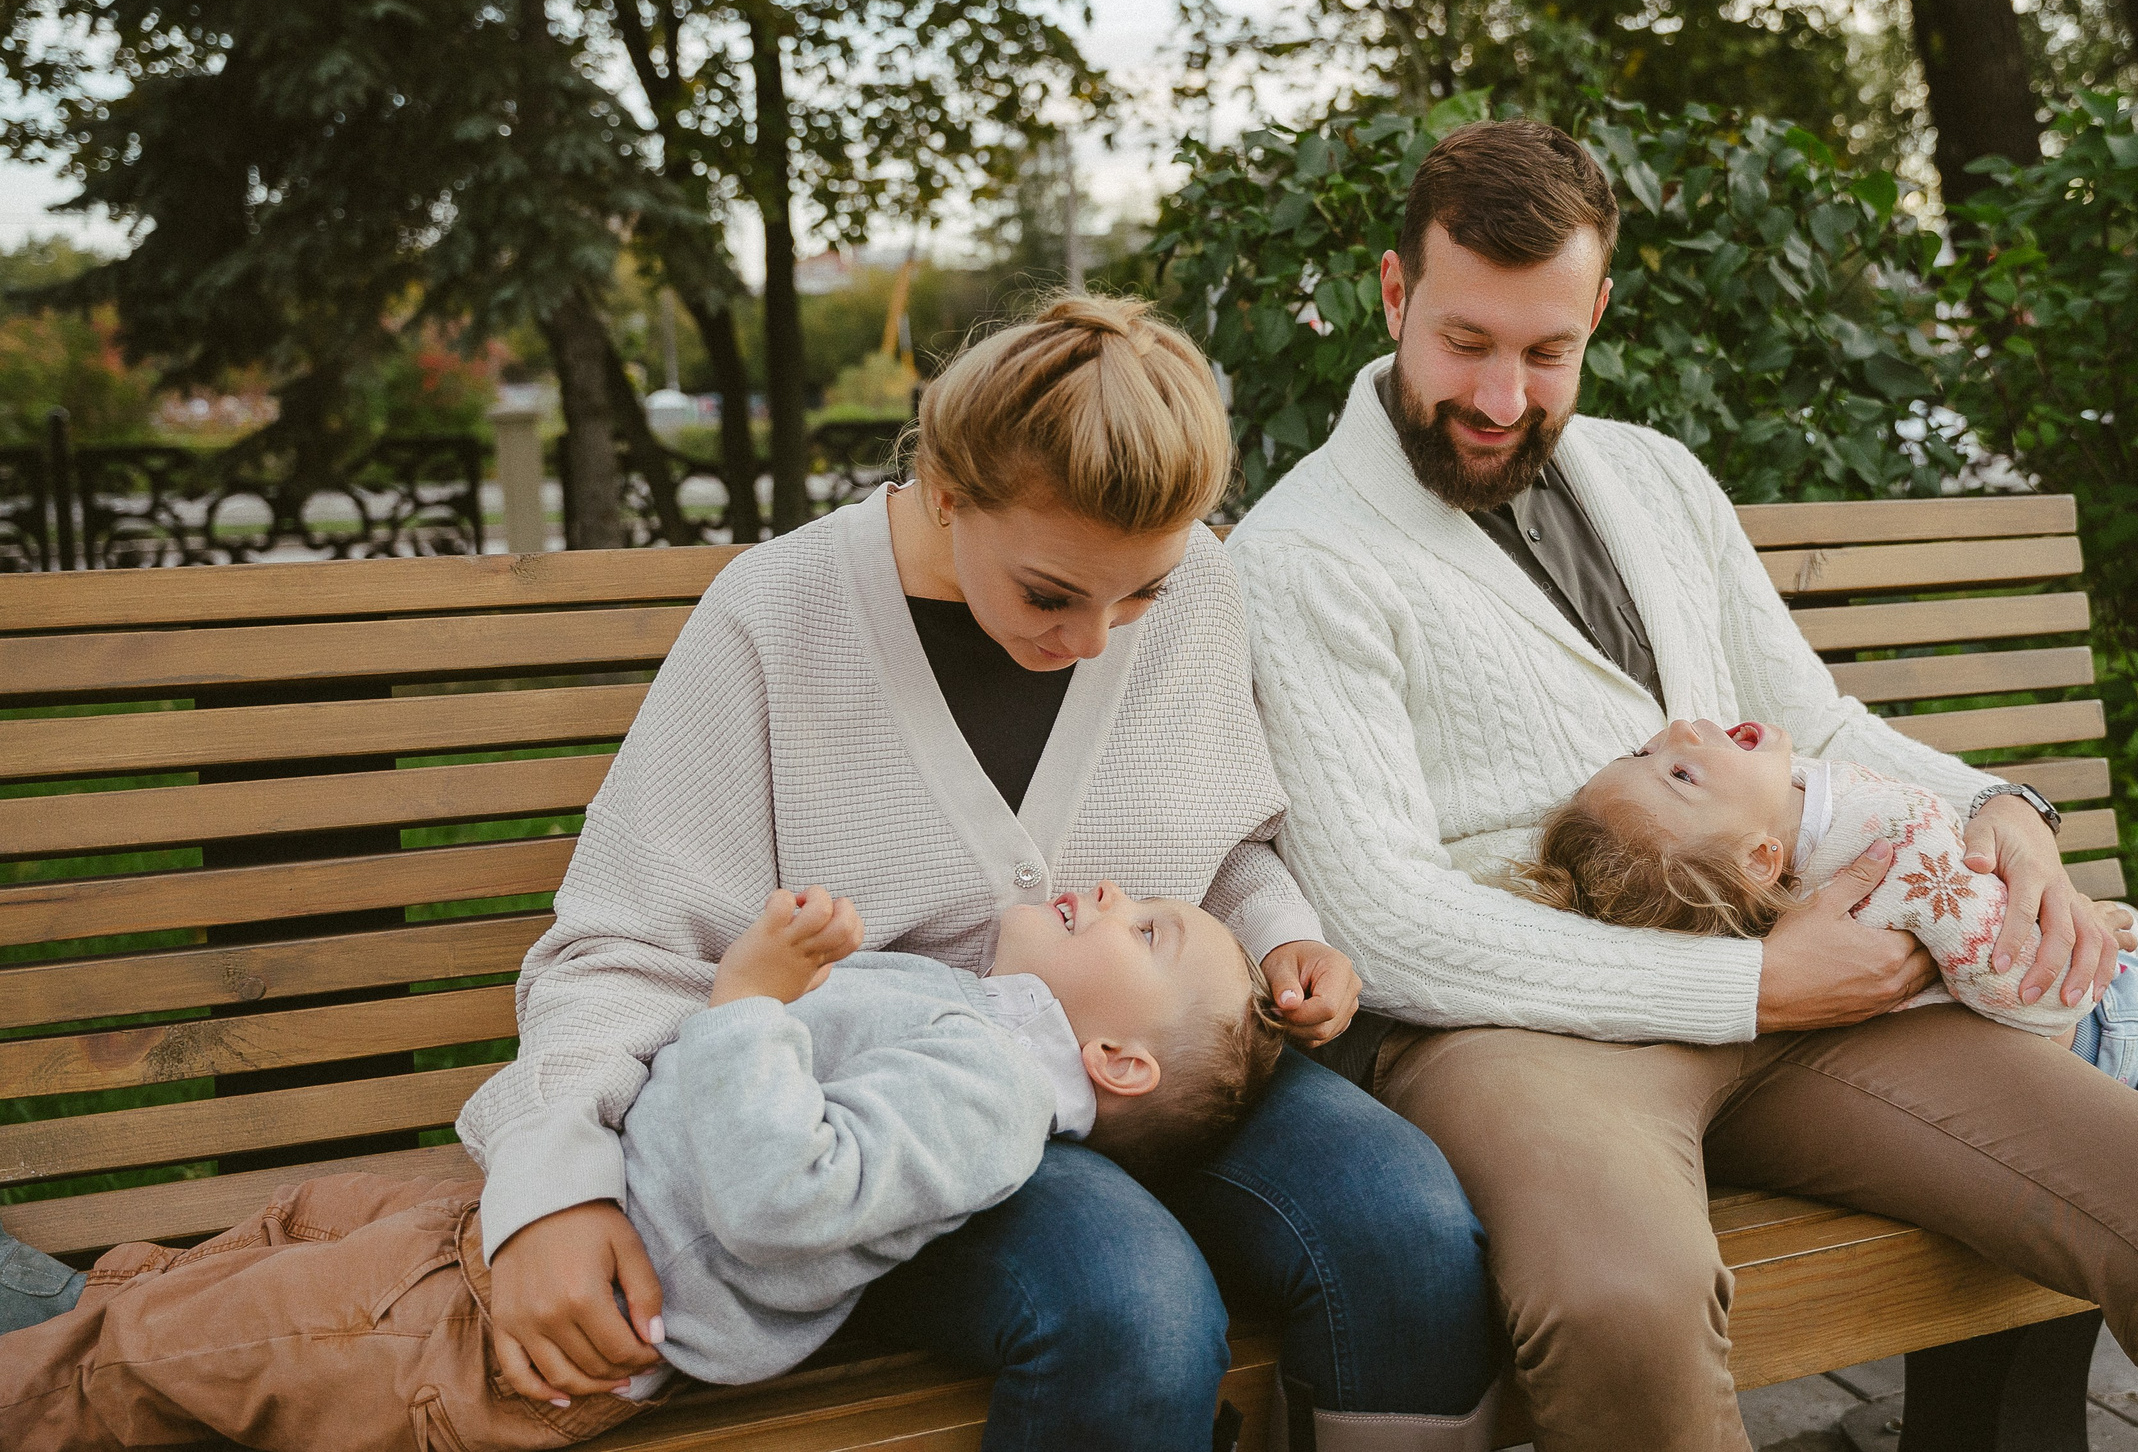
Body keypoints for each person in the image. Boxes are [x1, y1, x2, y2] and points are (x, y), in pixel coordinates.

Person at [1225, 117, 2138, 1451]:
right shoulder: (1302, 557)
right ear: (1394, 294)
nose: (1505, 395)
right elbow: (1381, 913)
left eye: (1547, 350)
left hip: (1808, 978)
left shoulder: (1652, 476)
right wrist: (1750, 984)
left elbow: (1812, 724)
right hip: (1525, 1029)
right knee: (1627, 1301)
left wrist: (2002, 809)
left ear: (1600, 313)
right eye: (1466, 342)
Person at [450, 297, 1497, 1452]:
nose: (1099, 639)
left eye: (1138, 594)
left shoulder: (1195, 581)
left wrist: (1282, 934)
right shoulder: (778, 616)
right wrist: (553, 1183)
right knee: (1130, 1305)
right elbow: (625, 945)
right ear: (947, 491)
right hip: (879, 1124)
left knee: (1405, 1228)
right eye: (1052, 594)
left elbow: (1223, 844)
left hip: (1160, 1069)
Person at [0, 876, 1288, 1452]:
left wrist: (747, 1000)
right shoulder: (969, 1026)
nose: (1115, 892)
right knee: (248, 1256)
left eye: (1151, 927)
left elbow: (781, 1193)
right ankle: (47, 1322)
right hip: (491, 1239)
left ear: (1116, 1061)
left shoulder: (988, 1098)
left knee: (149, 1361)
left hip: (499, 1344)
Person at [1523, 717, 2138, 1097]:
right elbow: (2005, 975)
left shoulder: (1802, 813)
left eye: (1649, 748)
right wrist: (2082, 975)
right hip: (2101, 1026)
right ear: (1760, 855)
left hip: (2076, 981)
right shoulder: (1882, 857)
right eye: (1678, 773)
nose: (1679, 733)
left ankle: (2129, 934)